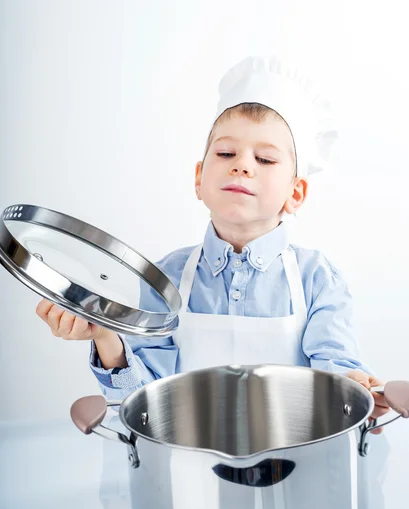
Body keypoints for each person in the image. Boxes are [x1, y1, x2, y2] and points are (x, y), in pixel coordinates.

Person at [36, 56, 389, 431]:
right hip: (190, 474)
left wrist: (357, 388)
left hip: (293, 470)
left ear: (296, 193)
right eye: (225, 153)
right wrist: (106, 335)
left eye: (265, 158)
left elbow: (336, 368)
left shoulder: (317, 279)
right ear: (199, 177)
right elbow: (145, 401)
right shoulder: (165, 277)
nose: (242, 166)